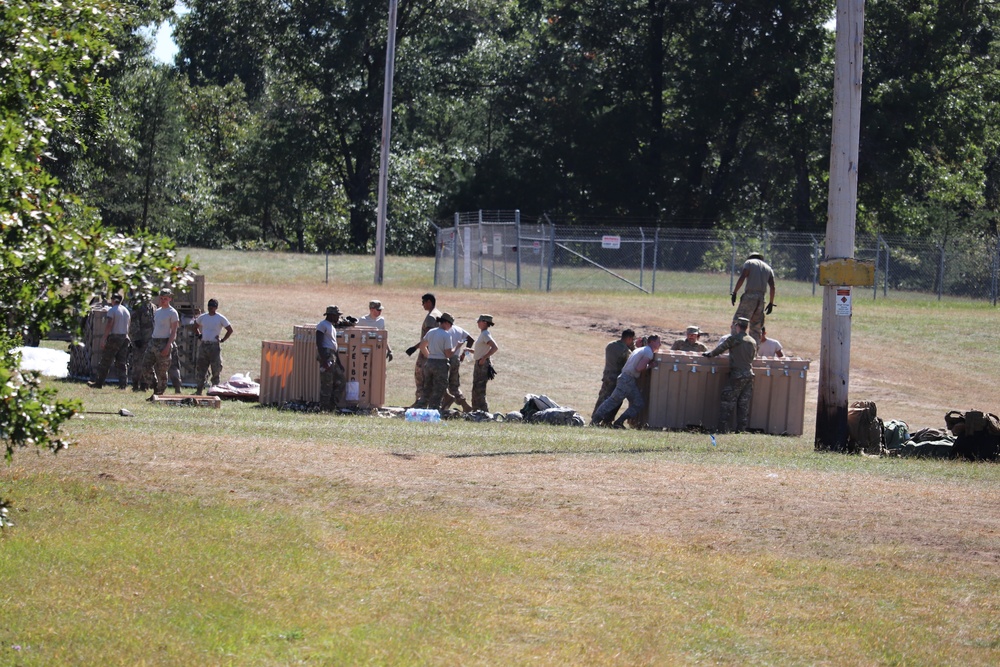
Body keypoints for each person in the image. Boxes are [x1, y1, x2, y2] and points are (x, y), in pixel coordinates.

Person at [591, 334, 661, 429]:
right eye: (658, 342)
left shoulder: (639, 349)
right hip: (628, 379)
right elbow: (639, 368)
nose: (660, 344)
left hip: (626, 378)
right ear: (652, 342)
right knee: (615, 401)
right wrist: (651, 366)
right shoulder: (648, 352)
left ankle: (612, 422)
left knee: (633, 402)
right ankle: (599, 421)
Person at [704, 317, 758, 433]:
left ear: (737, 326)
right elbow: (754, 356)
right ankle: (741, 429)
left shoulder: (734, 339)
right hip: (749, 374)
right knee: (743, 403)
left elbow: (720, 349)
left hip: (737, 374)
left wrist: (709, 355)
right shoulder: (752, 341)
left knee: (727, 400)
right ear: (746, 327)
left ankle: (722, 428)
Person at [139, 288, 179, 396]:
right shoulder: (157, 311)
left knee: (162, 371)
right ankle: (154, 385)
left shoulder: (172, 313)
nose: (162, 300)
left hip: (164, 342)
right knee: (145, 366)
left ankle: (159, 393)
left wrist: (168, 346)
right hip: (153, 341)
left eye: (165, 298)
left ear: (170, 299)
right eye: (161, 298)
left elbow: (174, 331)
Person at [88, 293, 131, 389]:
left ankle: (98, 383)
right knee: (122, 362)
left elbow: (109, 324)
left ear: (113, 300)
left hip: (115, 337)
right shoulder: (126, 311)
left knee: (105, 361)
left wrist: (104, 338)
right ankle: (123, 384)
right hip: (125, 337)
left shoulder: (112, 311)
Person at [730, 252, 775, 343]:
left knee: (738, 322)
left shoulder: (749, 263)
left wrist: (734, 292)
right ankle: (753, 350)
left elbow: (743, 277)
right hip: (761, 299)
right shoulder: (768, 268)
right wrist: (771, 303)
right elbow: (772, 286)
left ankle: (735, 346)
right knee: (756, 327)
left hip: (750, 296)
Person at [414, 312, 454, 412]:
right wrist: (457, 347)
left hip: (430, 362)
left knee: (427, 388)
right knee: (438, 390)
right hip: (441, 363)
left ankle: (420, 409)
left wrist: (429, 356)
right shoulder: (446, 335)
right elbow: (448, 354)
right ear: (446, 323)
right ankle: (434, 410)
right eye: (450, 324)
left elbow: (422, 346)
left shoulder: (431, 332)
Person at [592, 329, 636, 423]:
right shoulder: (625, 350)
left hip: (607, 375)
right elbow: (631, 361)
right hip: (616, 377)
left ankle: (594, 417)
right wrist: (634, 347)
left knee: (602, 397)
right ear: (629, 338)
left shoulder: (610, 345)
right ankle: (607, 420)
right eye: (632, 340)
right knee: (616, 400)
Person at [193, 298, 234, 395]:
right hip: (204, 345)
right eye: (209, 306)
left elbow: (230, 329)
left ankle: (215, 391)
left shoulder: (220, 318)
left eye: (213, 306)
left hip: (214, 346)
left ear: (216, 307)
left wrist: (222, 340)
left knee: (216, 369)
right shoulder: (203, 317)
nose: (211, 308)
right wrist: (199, 335)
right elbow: (195, 326)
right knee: (201, 369)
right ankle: (199, 390)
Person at [406, 293, 441, 406]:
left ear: (429, 302)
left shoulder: (431, 317)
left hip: (426, 352)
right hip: (436, 351)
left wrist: (415, 348)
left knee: (420, 376)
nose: (422, 305)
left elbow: (428, 337)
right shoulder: (438, 314)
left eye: (423, 302)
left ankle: (420, 402)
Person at [440, 319, 475, 412]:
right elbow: (471, 339)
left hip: (446, 358)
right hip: (455, 359)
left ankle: (443, 404)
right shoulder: (459, 330)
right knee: (454, 385)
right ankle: (465, 405)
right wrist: (464, 353)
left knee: (441, 382)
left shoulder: (444, 330)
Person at [316, 305, 346, 412]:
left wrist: (339, 363)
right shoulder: (322, 325)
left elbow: (335, 346)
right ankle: (324, 408)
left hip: (332, 355)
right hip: (326, 355)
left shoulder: (332, 327)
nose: (338, 318)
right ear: (331, 315)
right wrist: (324, 360)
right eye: (337, 315)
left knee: (341, 380)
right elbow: (319, 342)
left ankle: (332, 405)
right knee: (327, 383)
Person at [471, 314, 499, 412]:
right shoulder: (483, 334)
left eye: (479, 321)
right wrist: (470, 351)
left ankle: (484, 412)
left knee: (479, 389)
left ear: (484, 322)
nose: (477, 323)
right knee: (476, 388)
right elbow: (481, 350)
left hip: (482, 364)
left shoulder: (485, 334)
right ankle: (475, 411)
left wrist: (484, 358)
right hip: (479, 363)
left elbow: (495, 347)